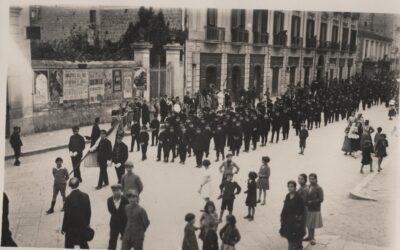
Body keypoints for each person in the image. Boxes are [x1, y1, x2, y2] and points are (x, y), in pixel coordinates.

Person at [62, 177, 92, 249]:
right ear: (78, 184)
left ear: (69, 186)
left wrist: (64, 228)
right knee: (84, 245)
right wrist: (87, 224)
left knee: (69, 246)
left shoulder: (68, 198)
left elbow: (67, 215)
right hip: (82, 226)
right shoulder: (85, 196)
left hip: (71, 229)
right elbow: (89, 212)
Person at [279, 180, 306, 250]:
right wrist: (282, 217)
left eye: (292, 186)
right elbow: (285, 206)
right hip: (287, 220)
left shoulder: (299, 198)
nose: (290, 188)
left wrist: (299, 222)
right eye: (289, 186)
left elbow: (301, 211)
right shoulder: (288, 195)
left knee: (293, 239)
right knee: (289, 237)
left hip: (295, 221)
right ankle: (297, 246)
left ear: (295, 187)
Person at [304, 173, 324, 245]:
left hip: (315, 208)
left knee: (312, 224)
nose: (311, 180)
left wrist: (311, 202)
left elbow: (321, 199)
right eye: (310, 179)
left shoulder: (319, 188)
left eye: (313, 179)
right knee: (309, 223)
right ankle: (309, 236)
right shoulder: (309, 186)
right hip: (308, 208)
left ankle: (313, 238)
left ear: (316, 179)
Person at [107, 184, 129, 250]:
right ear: (112, 192)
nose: (116, 192)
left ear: (121, 191)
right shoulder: (109, 200)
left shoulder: (125, 200)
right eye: (114, 191)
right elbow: (111, 211)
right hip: (114, 224)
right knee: (112, 241)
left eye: (118, 190)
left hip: (124, 224)